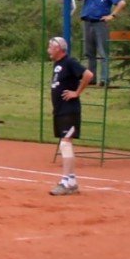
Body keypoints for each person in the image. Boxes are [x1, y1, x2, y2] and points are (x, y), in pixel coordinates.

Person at [47, 36, 94, 196]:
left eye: (50, 47)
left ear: (58, 48)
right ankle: (71, 182)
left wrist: (77, 92)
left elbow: (88, 75)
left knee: (65, 144)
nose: (48, 50)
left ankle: (67, 182)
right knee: (64, 143)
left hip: (70, 111)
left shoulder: (69, 62)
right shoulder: (58, 64)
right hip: (60, 111)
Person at [63, 0, 126, 85]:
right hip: (87, 23)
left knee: (103, 52)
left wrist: (112, 15)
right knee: (89, 52)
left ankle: (104, 79)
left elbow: (121, 3)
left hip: (100, 23)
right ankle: (91, 78)